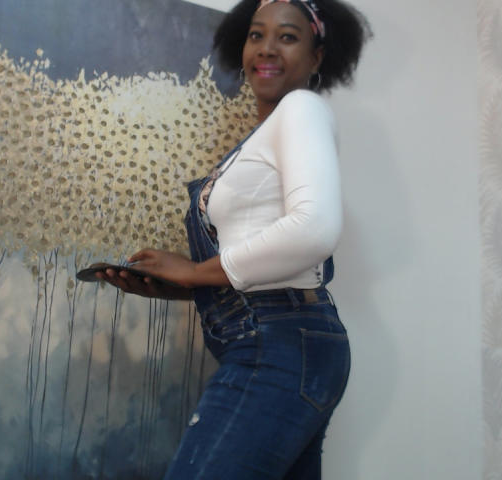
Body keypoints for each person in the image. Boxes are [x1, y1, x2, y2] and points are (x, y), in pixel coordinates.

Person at [97, 0, 370, 478]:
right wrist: (184, 285)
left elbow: (315, 229)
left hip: (279, 344)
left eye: (288, 37)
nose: (267, 48)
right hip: (287, 341)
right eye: (256, 35)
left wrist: (195, 271)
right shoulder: (264, 137)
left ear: (317, 57)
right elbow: (266, 260)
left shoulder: (301, 109)